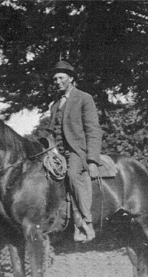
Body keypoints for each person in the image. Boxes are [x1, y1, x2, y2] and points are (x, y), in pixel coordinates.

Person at [48, 61, 102, 242]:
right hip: (58, 153)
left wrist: (92, 160)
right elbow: (51, 132)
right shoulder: (54, 106)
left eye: (61, 78)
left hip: (77, 152)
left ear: (71, 78)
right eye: (55, 78)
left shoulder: (84, 98)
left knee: (72, 174)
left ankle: (86, 222)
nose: (57, 81)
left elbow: (93, 130)